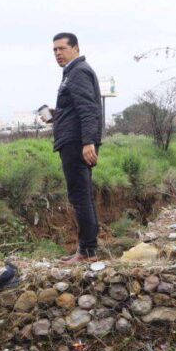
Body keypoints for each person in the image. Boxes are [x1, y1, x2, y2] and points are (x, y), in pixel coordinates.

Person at [49, 32, 103, 263]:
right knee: (82, 194)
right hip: (73, 139)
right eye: (55, 50)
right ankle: (87, 248)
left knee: (80, 195)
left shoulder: (78, 71)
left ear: (76, 48)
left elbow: (88, 108)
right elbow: (75, 107)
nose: (58, 53)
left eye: (62, 48)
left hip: (76, 142)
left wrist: (88, 141)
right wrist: (56, 115)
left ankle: (87, 250)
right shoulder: (71, 73)